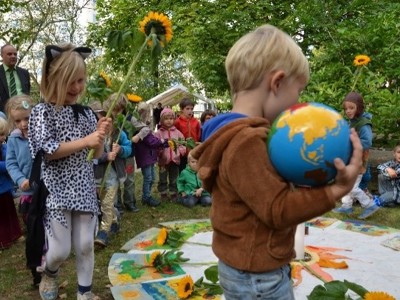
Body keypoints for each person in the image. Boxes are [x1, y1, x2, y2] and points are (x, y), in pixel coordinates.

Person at [190, 24, 363, 299]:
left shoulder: (228, 132)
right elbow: (278, 208)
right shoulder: (246, 142)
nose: (298, 103)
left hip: (247, 269)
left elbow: (259, 194)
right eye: (298, 92)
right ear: (277, 82)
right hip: (257, 276)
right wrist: (336, 191)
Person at [28, 43, 111, 300]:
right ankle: (50, 271)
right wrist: (86, 141)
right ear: (53, 79)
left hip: (84, 186)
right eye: (71, 82)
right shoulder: (42, 113)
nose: (77, 88)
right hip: (57, 189)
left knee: (86, 244)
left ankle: (84, 292)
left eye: (81, 80)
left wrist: (99, 138)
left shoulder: (86, 114)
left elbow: (94, 156)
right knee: (60, 250)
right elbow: (48, 149)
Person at [4, 95, 42, 286]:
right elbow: (10, 162)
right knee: (33, 227)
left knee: (48, 224)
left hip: (46, 190)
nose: (23, 124)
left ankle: (48, 254)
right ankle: (36, 269)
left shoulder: (41, 134)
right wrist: (20, 179)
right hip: (27, 194)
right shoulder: (13, 138)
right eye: (18, 120)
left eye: (27, 118)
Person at [91, 97, 132, 247]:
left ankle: (103, 232)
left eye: (109, 120)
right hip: (98, 177)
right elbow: (90, 156)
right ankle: (114, 220)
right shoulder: (93, 137)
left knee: (107, 204)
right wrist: (105, 156)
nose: (106, 124)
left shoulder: (119, 134)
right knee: (104, 203)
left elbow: (129, 149)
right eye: (102, 120)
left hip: (113, 177)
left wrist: (120, 149)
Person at [333, 92, 379, 219]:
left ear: (359, 107)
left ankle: (369, 204)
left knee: (351, 187)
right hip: (351, 160)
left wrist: (351, 143)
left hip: (359, 161)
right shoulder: (351, 122)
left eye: (351, 108)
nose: (348, 111)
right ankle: (347, 206)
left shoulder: (364, 124)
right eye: (346, 108)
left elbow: (367, 142)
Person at [132, 102, 169, 207]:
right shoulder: (140, 129)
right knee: (148, 177)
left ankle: (147, 195)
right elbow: (151, 141)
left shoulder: (146, 127)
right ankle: (146, 197)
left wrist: (163, 142)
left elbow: (152, 139)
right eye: (145, 113)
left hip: (150, 156)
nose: (147, 115)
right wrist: (163, 141)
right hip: (145, 157)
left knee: (152, 177)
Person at [0, 116, 23, 250]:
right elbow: (8, 164)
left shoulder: (4, 147)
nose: (3, 138)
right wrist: (8, 166)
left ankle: (15, 234)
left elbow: (11, 158)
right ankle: (3, 238)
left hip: (5, 188)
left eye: (4, 134)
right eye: (0, 134)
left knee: (10, 213)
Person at [154, 108, 186, 202]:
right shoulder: (158, 133)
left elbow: (183, 144)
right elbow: (155, 146)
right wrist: (160, 152)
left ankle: (173, 193)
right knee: (163, 178)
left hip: (175, 160)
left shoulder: (177, 133)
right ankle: (163, 193)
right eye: (166, 118)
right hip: (163, 161)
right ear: (161, 120)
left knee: (174, 178)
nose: (169, 121)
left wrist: (180, 152)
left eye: (171, 118)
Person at [0, 44, 31, 112]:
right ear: (2, 55)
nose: (13, 56)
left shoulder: (24, 73)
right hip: (4, 114)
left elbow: (27, 92)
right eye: (9, 54)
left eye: (15, 54)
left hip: (24, 111)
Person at [174, 97, 201, 172]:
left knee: (194, 170)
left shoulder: (196, 122)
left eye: (191, 109)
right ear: (182, 109)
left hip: (193, 151)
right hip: (182, 152)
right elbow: (175, 135)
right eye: (187, 108)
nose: (190, 111)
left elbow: (198, 135)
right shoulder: (177, 122)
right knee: (182, 171)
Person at [375, 143, 400, 207]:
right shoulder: (391, 163)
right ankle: (388, 201)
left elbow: (395, 174)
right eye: (399, 152)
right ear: (394, 154)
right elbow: (379, 167)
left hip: (397, 193)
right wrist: (388, 168)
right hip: (392, 190)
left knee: (377, 201)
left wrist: (387, 171)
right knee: (381, 176)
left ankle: (379, 200)